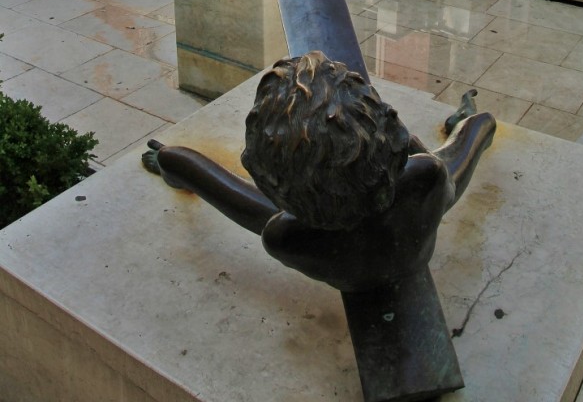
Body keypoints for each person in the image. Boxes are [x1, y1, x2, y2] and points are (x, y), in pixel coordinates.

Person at [143, 52, 496, 294]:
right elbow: (429, 159)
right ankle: (466, 121)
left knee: (208, 180)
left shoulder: (286, 236)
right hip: (405, 214)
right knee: (477, 130)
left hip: (338, 250)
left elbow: (234, 197)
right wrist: (394, 136)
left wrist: (175, 162)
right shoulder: (425, 178)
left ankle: (171, 163)